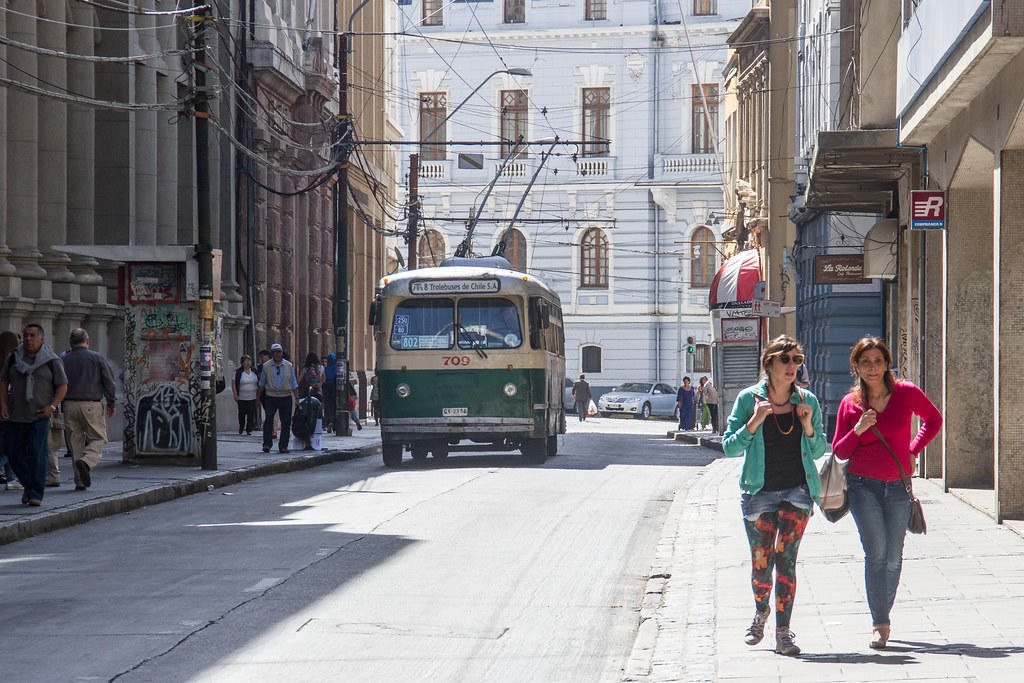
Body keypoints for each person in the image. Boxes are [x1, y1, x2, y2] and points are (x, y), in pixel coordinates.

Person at [832, 336, 942, 650]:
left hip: (898, 486)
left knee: (893, 557)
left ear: (887, 364)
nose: (872, 367)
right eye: (865, 362)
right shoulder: (850, 404)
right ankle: (880, 622)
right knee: (876, 554)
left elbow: (933, 420)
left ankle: (884, 612)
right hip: (862, 485)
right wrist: (858, 430)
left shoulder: (906, 393)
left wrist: (913, 448)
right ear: (856, 366)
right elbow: (840, 451)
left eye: (878, 361)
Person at [722, 335, 826, 656]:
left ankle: (783, 633)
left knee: (787, 561)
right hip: (759, 493)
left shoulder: (806, 401)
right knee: (762, 564)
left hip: (797, 492)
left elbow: (820, 449)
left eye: (797, 360)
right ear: (769, 364)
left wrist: (808, 426)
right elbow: (729, 447)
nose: (793, 366)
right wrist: (754, 422)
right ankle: (761, 609)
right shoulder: (747, 401)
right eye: (786, 360)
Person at [0, 324, 68, 506]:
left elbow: (62, 386)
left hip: (39, 415)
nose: (28, 339)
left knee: (37, 455)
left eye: (32, 335)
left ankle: (35, 493)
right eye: (26, 335)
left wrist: (52, 407)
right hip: (15, 415)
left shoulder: (52, 360)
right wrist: (4, 404)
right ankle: (29, 485)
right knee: (13, 453)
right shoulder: (14, 358)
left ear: (41, 339)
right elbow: (4, 380)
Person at [60, 329, 117, 491]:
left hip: (69, 405)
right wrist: (111, 402)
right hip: (91, 404)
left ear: (71, 342)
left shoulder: (64, 359)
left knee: (75, 442)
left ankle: (80, 480)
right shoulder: (97, 358)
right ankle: (88, 460)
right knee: (98, 438)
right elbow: (109, 382)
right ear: (88, 341)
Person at [258, 343, 298, 454]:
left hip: (285, 396)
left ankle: (283, 446)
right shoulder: (266, 366)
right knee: (269, 420)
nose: (277, 355)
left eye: (279, 352)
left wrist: (296, 399)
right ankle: (267, 444)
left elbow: (294, 383)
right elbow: (261, 384)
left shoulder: (289, 366)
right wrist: (257, 399)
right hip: (271, 396)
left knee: (286, 422)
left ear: (282, 353)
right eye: (275, 352)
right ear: (272, 354)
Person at [0, 331, 21, 490]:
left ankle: (11, 478)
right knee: (10, 444)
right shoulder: (13, 362)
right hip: (8, 407)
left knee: (6, 443)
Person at [232, 355, 260, 436]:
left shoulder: (254, 371)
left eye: (249, 361)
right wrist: (235, 394)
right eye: (245, 361)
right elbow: (233, 383)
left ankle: (249, 429)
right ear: (242, 363)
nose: (247, 363)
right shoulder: (238, 372)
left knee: (251, 413)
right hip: (242, 397)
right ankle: (241, 427)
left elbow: (259, 382)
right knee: (242, 413)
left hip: (253, 396)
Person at [323, 352, 338, 433]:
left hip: (327, 388)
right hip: (334, 388)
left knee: (327, 406)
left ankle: (328, 421)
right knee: (334, 406)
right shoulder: (336, 368)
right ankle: (334, 423)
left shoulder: (326, 368)